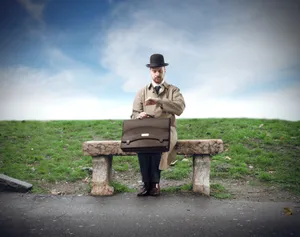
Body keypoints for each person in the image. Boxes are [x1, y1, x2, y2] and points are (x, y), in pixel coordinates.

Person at [130, 53, 186, 196]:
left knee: (159, 145)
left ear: (164, 71)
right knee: (142, 145)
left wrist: (159, 101)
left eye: (159, 71)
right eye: (154, 71)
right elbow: (134, 113)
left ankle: (155, 183)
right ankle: (145, 183)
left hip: (167, 129)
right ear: (150, 72)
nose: (157, 74)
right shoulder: (142, 92)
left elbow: (180, 108)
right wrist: (139, 115)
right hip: (147, 129)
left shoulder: (173, 90)